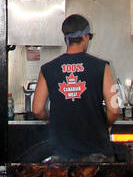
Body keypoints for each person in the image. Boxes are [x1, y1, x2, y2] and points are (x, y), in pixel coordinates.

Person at [31, 13, 119, 158]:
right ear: (85, 37)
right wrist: (105, 124)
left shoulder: (48, 68)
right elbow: (114, 110)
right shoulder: (103, 67)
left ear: (67, 38)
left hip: (61, 152)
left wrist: (51, 118)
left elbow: (37, 110)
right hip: (97, 151)